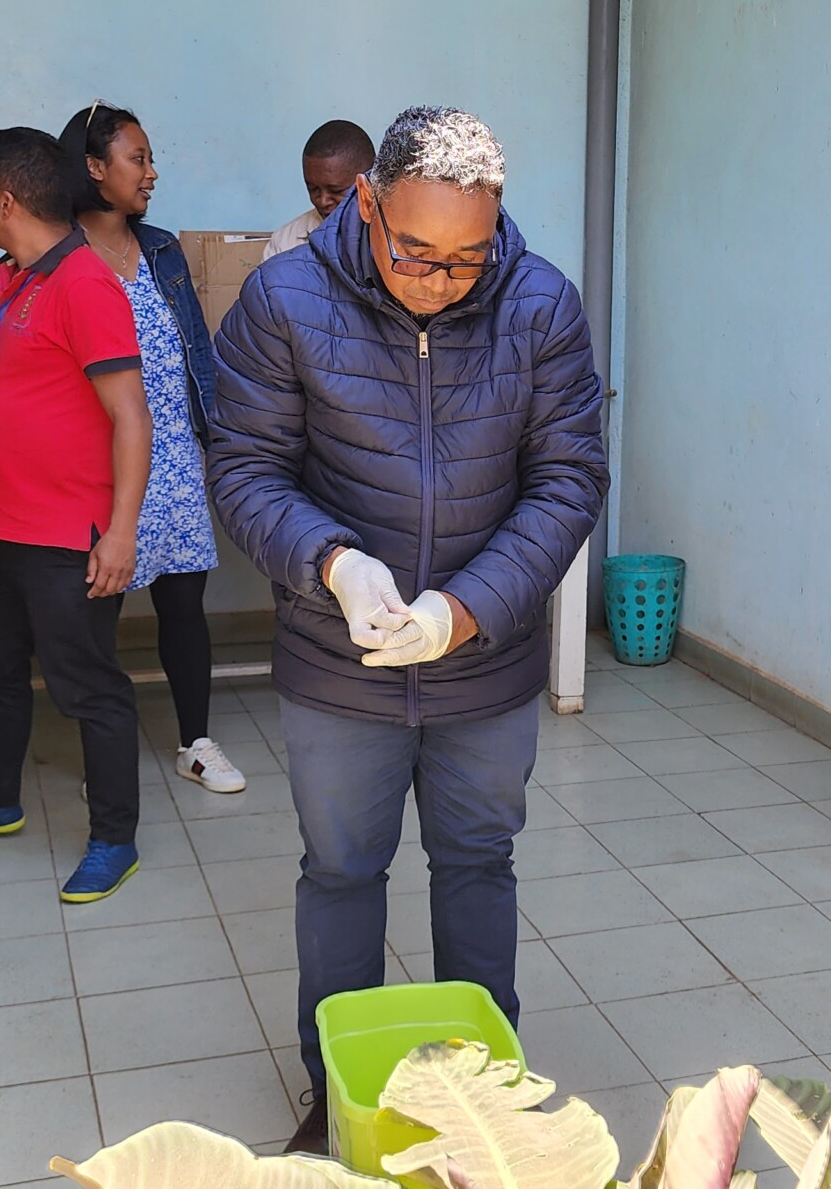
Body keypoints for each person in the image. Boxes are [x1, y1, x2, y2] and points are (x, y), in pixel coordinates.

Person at [208, 105, 606, 1153]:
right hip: (338, 664)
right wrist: (333, 563)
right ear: (369, 207)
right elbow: (243, 467)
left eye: (465, 261)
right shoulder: (284, 301)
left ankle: (482, 1097)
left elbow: (568, 480)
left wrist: (463, 608)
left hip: (487, 661)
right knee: (341, 869)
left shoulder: (539, 305)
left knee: (478, 861)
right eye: (414, 254)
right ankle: (335, 1087)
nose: (436, 281)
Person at [0, 127, 156, 905]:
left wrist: (119, 533)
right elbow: (6, 402)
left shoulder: (84, 283)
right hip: (0, 531)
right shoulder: (11, 282)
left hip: (66, 538)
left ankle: (114, 838)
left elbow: (131, 418)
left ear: (3, 199)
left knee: (91, 689)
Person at [57, 100, 248, 795]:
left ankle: (195, 742)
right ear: (92, 166)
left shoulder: (162, 250)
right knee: (95, 613)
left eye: (148, 158)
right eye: (137, 158)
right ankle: (101, 756)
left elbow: (198, 351)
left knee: (183, 605)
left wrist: (217, 439)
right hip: (95, 462)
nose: (151, 173)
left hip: (172, 452)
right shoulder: (57, 255)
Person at [261, 119, 375, 260]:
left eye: (336, 191)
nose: (322, 201)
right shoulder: (285, 243)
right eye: (313, 189)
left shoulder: (397, 238)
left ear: (369, 183)